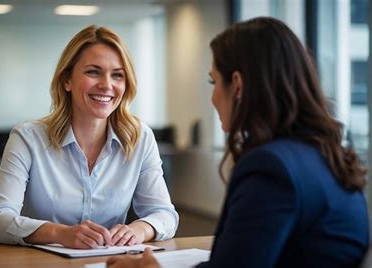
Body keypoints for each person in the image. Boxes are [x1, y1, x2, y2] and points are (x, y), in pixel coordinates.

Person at [107, 17, 369, 268]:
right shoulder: (326, 155)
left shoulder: (271, 166)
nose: (212, 98)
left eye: (214, 81)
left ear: (238, 85)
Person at [0, 25, 179, 249]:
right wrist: (60, 233)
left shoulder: (139, 138)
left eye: (117, 75)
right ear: (67, 80)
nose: (107, 85)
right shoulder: (28, 138)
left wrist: (138, 229)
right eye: (93, 72)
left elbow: (165, 214)